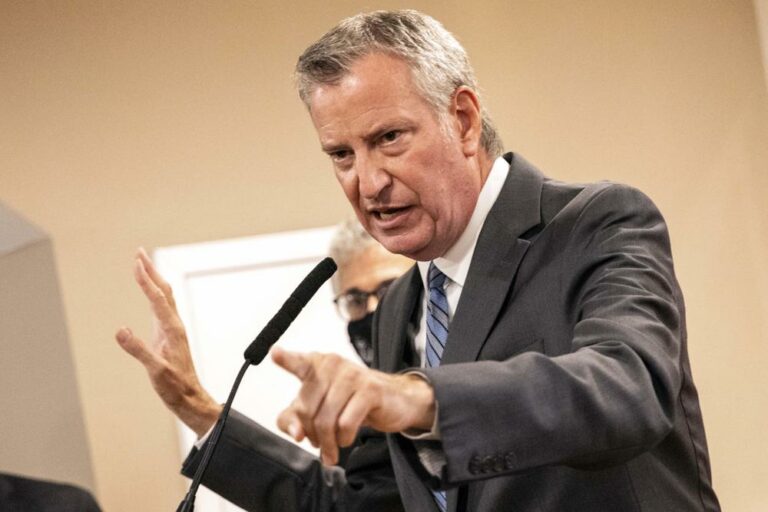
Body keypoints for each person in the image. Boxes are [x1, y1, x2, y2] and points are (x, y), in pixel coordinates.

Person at [116, 9, 720, 512]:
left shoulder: (597, 222)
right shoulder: (401, 307)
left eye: (388, 139)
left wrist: (416, 398)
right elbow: (366, 504)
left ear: (463, 119)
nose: (368, 182)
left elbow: (629, 389)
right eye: (341, 154)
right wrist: (199, 410)